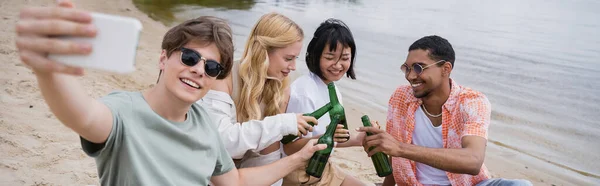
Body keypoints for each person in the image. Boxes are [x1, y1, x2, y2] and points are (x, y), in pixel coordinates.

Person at [14, 1, 325, 185]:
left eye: (213, 67)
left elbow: (235, 182)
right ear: (163, 58)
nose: (199, 70)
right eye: (190, 57)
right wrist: (49, 71)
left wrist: (297, 161)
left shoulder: (206, 124)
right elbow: (80, 114)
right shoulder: (125, 111)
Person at [357, 35, 533, 186]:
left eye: (418, 68)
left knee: (521, 185)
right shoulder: (401, 97)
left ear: (446, 69)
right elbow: (394, 157)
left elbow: (473, 161)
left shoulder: (471, 101)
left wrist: (400, 148)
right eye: (407, 68)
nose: (410, 76)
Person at [197, 12, 307, 186]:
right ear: (264, 51)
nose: (293, 67)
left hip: (244, 175)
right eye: (288, 58)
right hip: (208, 171)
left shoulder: (280, 84)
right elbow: (222, 143)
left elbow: (269, 156)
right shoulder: (224, 77)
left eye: (295, 59)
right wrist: (282, 123)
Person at [282, 18, 365, 186]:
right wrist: (325, 137)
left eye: (344, 58)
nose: (337, 65)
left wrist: (359, 140)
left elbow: (332, 139)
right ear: (315, 55)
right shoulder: (304, 93)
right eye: (330, 57)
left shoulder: (332, 89)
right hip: (298, 172)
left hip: (321, 165)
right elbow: (288, 147)